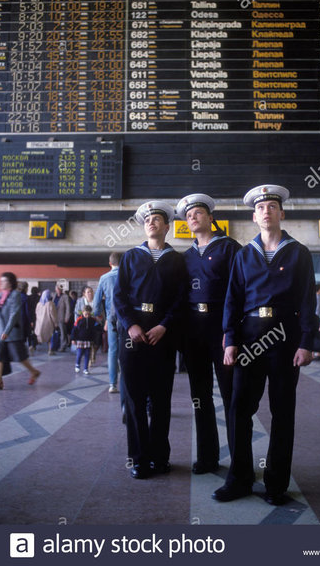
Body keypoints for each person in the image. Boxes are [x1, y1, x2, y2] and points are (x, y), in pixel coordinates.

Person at [212, 184, 316, 505]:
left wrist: (307, 342)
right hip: (250, 340)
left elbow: (308, 301)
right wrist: (230, 340)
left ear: (281, 213)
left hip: (286, 340)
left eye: (272, 206)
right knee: (239, 409)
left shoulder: (298, 253)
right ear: (254, 217)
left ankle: (275, 484)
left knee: (282, 411)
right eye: (261, 208)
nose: (266, 212)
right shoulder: (244, 255)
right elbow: (232, 299)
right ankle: (240, 478)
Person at [113, 200, 188, 479]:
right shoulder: (131, 256)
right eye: (147, 220)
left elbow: (181, 299)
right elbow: (119, 296)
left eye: (157, 219)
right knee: (134, 399)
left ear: (167, 226)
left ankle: (160, 457)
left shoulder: (177, 260)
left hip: (161, 338)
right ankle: (139, 459)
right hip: (133, 337)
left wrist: (165, 326)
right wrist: (130, 324)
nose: (152, 223)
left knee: (160, 400)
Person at [176, 193, 241, 474]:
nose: (193, 217)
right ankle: (207, 457)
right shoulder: (185, 257)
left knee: (231, 395)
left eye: (198, 213)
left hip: (222, 329)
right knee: (200, 395)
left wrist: (233, 333)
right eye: (189, 215)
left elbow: (239, 292)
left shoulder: (230, 249)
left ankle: (240, 460)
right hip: (194, 330)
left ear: (211, 218)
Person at [0, 272, 41, 390]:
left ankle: (34, 372)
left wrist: (6, 331)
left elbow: (14, 314)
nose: (1, 283)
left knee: (19, 356)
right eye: (1, 281)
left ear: (10, 283)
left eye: (4, 281)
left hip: (12, 333)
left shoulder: (15, 295)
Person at [93, 252, 122, 394]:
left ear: (110, 264)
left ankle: (112, 384)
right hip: (127, 320)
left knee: (113, 351)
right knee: (127, 350)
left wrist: (100, 317)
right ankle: (127, 381)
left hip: (111, 319)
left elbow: (96, 304)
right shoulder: (127, 276)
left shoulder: (104, 278)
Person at [75, 285, 102, 368]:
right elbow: (76, 313)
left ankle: (94, 353)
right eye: (88, 292)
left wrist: (100, 320)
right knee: (88, 345)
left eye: (91, 291)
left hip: (95, 325)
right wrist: (77, 325)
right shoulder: (80, 302)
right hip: (84, 327)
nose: (90, 293)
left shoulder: (97, 301)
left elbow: (101, 312)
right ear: (84, 294)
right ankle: (90, 358)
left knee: (97, 343)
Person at [71, 305, 97, 375]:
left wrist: (95, 339)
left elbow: (95, 330)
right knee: (79, 353)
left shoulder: (93, 320)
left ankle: (86, 368)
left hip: (88, 340)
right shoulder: (79, 320)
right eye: (86, 314)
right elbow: (74, 329)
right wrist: (73, 338)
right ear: (82, 312)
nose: (87, 316)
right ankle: (77, 364)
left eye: (89, 314)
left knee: (87, 355)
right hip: (80, 340)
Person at [35, 290, 58, 354]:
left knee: (39, 336)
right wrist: (56, 323)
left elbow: (36, 313)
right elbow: (53, 315)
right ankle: (50, 350)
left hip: (39, 323)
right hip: (48, 323)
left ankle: (33, 346)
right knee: (50, 337)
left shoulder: (39, 304)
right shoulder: (50, 304)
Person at [53, 283, 71, 352]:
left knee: (63, 332)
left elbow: (68, 308)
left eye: (59, 289)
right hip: (55, 317)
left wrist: (67, 317)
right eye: (57, 288)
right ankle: (55, 345)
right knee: (56, 332)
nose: (58, 290)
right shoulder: (54, 296)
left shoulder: (65, 296)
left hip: (62, 317)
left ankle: (63, 346)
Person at [27, 286, 40, 352]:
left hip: (30, 316)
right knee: (36, 331)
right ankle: (34, 344)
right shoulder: (39, 298)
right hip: (37, 316)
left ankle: (30, 344)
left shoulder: (28, 297)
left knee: (30, 331)